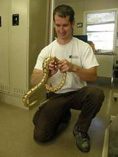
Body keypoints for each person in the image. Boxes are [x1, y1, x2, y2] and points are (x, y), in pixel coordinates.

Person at [31, 4, 105, 153]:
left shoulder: (83, 47)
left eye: (65, 25)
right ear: (54, 24)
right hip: (56, 96)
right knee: (40, 135)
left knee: (97, 93)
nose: (61, 30)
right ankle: (63, 115)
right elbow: (33, 80)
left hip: (77, 93)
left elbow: (93, 76)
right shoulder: (47, 50)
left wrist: (74, 68)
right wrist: (47, 73)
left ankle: (80, 130)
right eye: (58, 25)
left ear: (72, 23)